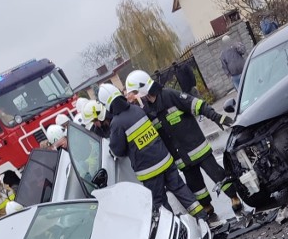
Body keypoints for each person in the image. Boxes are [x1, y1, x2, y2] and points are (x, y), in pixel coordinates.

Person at [125, 70, 243, 218]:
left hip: (197, 148)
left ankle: (234, 197)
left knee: (217, 174)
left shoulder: (169, 95)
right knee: (195, 185)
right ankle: (207, 207)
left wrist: (216, 117)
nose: (135, 97)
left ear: (142, 88)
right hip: (181, 158)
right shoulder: (147, 110)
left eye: (135, 92)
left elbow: (197, 105)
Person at [97, 83, 208, 220]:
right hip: (165, 160)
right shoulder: (137, 110)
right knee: (180, 188)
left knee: (160, 202)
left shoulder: (117, 123)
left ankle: (176, 229)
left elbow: (118, 150)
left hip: (149, 171)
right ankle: (202, 216)